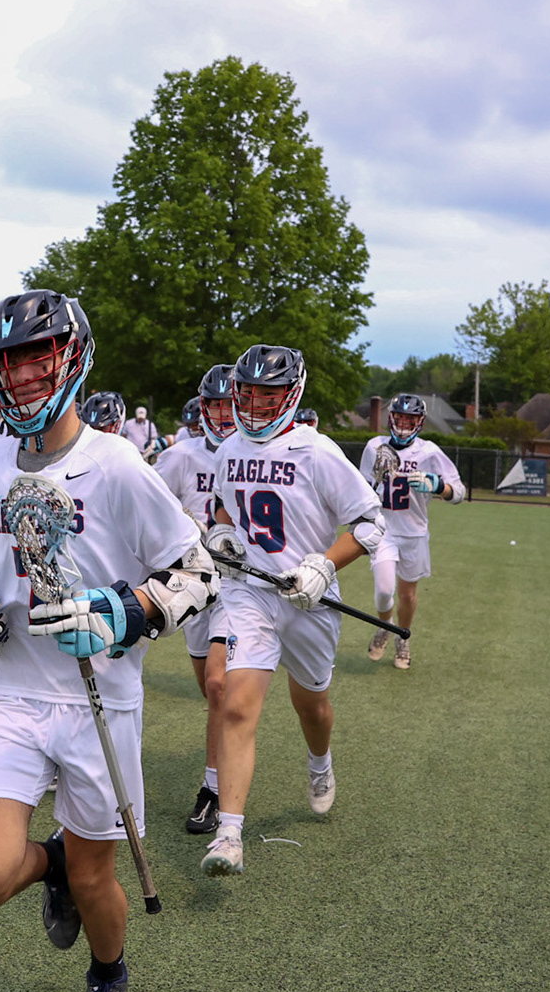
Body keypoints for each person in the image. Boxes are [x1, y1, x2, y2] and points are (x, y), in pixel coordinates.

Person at [0, 289, 218, 992]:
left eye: (38, 355)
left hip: (100, 702)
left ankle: (108, 975)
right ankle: (51, 862)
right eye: (7, 361)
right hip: (15, 693)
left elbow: (198, 572)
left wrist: (128, 613)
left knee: (98, 880)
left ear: (72, 355)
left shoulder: (118, 465)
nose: (23, 375)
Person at [199, 344, 385, 878]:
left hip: (309, 599)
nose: (256, 403)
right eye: (249, 391)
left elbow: (371, 526)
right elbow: (223, 505)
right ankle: (229, 833)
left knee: (312, 704)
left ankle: (320, 765)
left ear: (292, 394)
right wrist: (223, 534)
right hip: (250, 594)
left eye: (269, 393)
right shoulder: (229, 448)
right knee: (236, 703)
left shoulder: (318, 451)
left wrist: (324, 567)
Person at [149, 365, 236, 834]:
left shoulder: (254, 453)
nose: (223, 413)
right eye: (216, 404)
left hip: (240, 588)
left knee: (221, 687)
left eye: (230, 403)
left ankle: (214, 789)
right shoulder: (181, 456)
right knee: (210, 689)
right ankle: (230, 746)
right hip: (193, 585)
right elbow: (141, 504)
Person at [359, 393, 466, 668]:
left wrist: (438, 485)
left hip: (414, 532)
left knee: (407, 594)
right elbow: (360, 489)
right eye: (400, 417)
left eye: (411, 418)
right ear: (391, 418)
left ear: (420, 421)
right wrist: (376, 482)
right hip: (383, 529)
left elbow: (459, 492)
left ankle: (402, 638)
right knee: (384, 590)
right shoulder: (375, 446)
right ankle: (386, 625)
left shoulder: (429, 452)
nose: (405, 423)